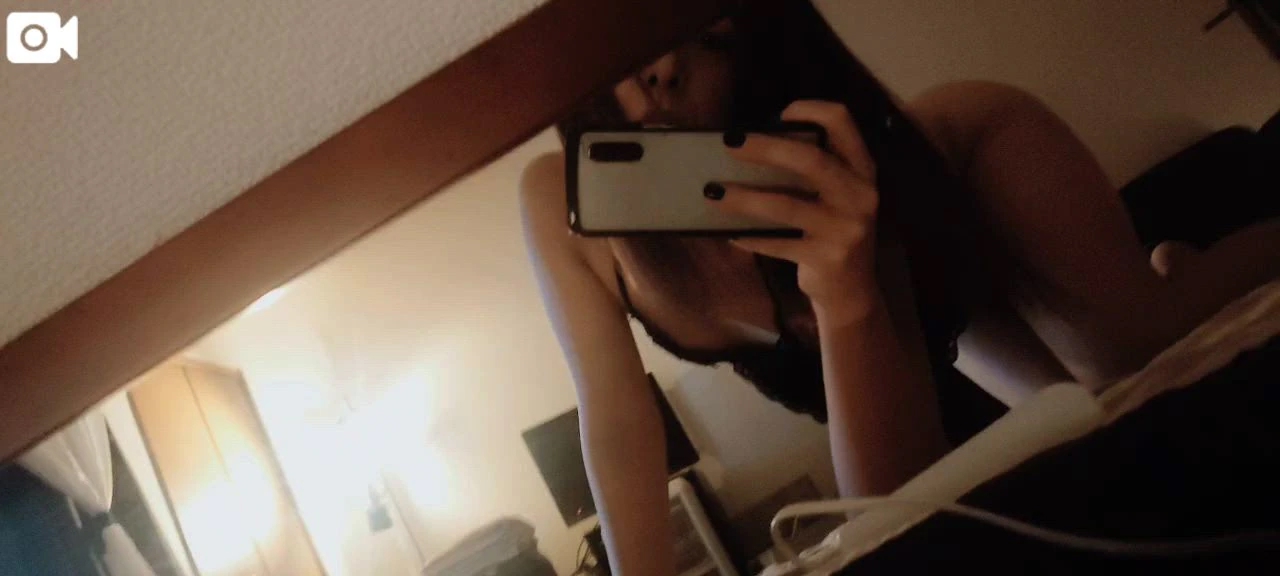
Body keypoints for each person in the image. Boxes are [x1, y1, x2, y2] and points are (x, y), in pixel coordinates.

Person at [519, 2, 1280, 574]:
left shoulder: (841, 141)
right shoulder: (560, 199)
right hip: (933, 317)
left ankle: (1200, 262)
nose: (653, 67)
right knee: (1074, 412)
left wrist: (845, 290)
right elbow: (617, 422)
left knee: (1131, 351)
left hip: (966, 164)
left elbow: (892, 510)